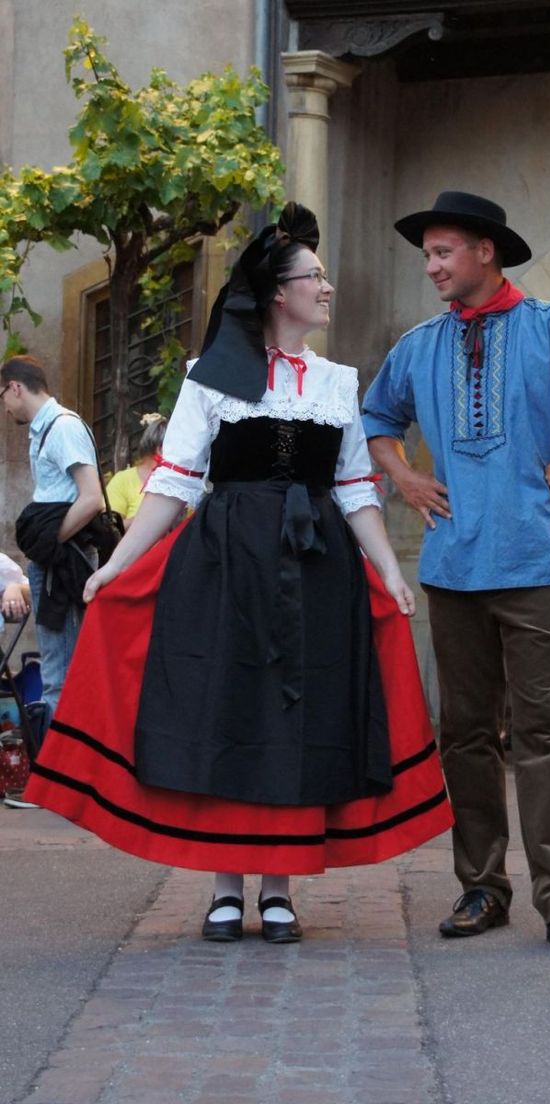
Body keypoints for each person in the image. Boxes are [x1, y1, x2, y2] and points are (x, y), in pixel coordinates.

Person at [25, 202, 452, 942]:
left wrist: (388, 570)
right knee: (226, 708)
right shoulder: (209, 378)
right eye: (313, 277)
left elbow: (354, 491)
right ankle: (226, 890)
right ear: (278, 294)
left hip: (316, 567)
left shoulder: (338, 382)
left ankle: (280, 890)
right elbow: (174, 485)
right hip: (224, 565)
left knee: (297, 718)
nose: (325, 287)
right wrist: (115, 568)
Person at [363, 190, 550, 956]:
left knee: (545, 732)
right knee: (463, 733)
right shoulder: (419, 345)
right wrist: (402, 477)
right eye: (427, 254)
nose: (431, 266)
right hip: (453, 565)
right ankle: (481, 887)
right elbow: (375, 421)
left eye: (443, 252)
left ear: (485, 252)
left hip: (540, 565)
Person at [0, 356, 104, 745]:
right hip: (52, 562)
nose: (5, 408)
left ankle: (65, 776)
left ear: (15, 387)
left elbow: (91, 498)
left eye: (3, 397)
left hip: (65, 563)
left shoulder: (63, 427)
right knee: (57, 674)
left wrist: (49, 541)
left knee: (63, 676)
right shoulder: (44, 430)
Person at [106, 413, 169, 529]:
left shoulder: (183, 484)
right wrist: (147, 517)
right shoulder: (123, 480)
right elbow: (110, 531)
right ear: (160, 450)